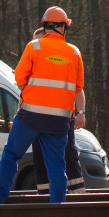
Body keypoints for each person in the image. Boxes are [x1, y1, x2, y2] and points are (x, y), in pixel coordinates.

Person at [0, 6, 84, 204]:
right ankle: (57, 207)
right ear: (63, 27)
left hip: (31, 116)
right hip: (59, 121)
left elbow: (19, 79)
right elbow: (78, 87)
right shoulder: (74, 52)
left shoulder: (34, 47)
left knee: (11, 154)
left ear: (45, 27)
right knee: (56, 165)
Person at [29, 27, 86, 195]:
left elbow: (77, 87)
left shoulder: (62, 58)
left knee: (67, 155)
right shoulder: (34, 62)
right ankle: (46, 197)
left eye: (38, 42)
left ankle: (77, 195)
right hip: (37, 118)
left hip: (62, 117)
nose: (35, 46)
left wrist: (81, 113)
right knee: (40, 158)